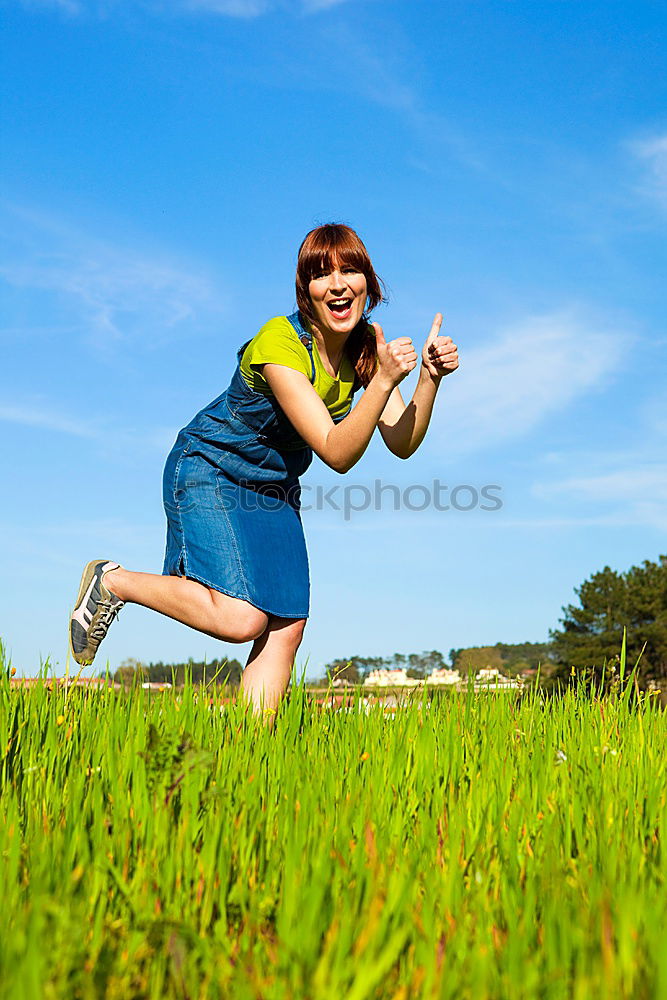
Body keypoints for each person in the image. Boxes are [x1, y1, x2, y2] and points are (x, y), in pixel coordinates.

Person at [69, 223, 459, 716]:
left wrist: (429, 378)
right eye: (322, 275)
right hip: (210, 468)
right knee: (240, 618)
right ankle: (114, 581)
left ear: (368, 283)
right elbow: (337, 452)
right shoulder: (280, 342)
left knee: (287, 623)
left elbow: (402, 441)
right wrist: (382, 381)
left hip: (272, 489)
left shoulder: (364, 350)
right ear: (306, 291)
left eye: (350, 270)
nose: (337, 284)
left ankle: (250, 753)